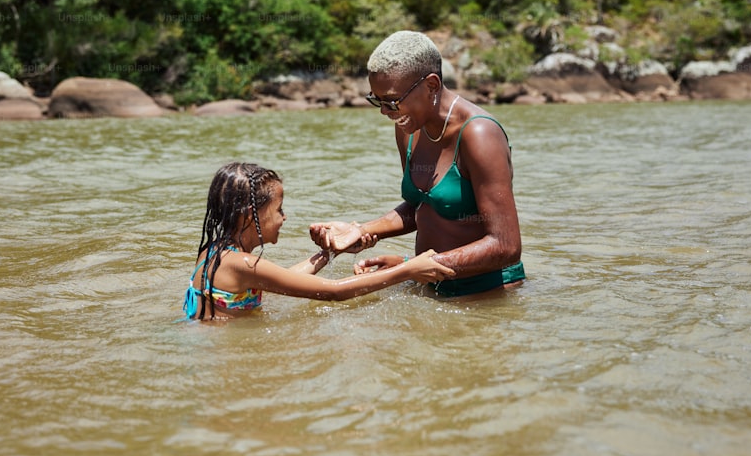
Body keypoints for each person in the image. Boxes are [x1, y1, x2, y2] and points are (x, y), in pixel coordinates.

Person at [310, 30, 524, 297]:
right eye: (377, 100)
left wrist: (407, 269)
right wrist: (361, 231)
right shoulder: (408, 127)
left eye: (392, 101)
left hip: (486, 295)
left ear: (432, 85)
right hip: (431, 286)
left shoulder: (479, 134)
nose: (384, 112)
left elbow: (505, 245)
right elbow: (421, 205)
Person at [183, 161, 454, 320]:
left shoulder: (216, 252)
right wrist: (408, 269)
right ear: (248, 216)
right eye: (278, 210)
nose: (284, 217)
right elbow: (332, 291)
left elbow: (284, 278)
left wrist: (329, 254)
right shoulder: (241, 263)